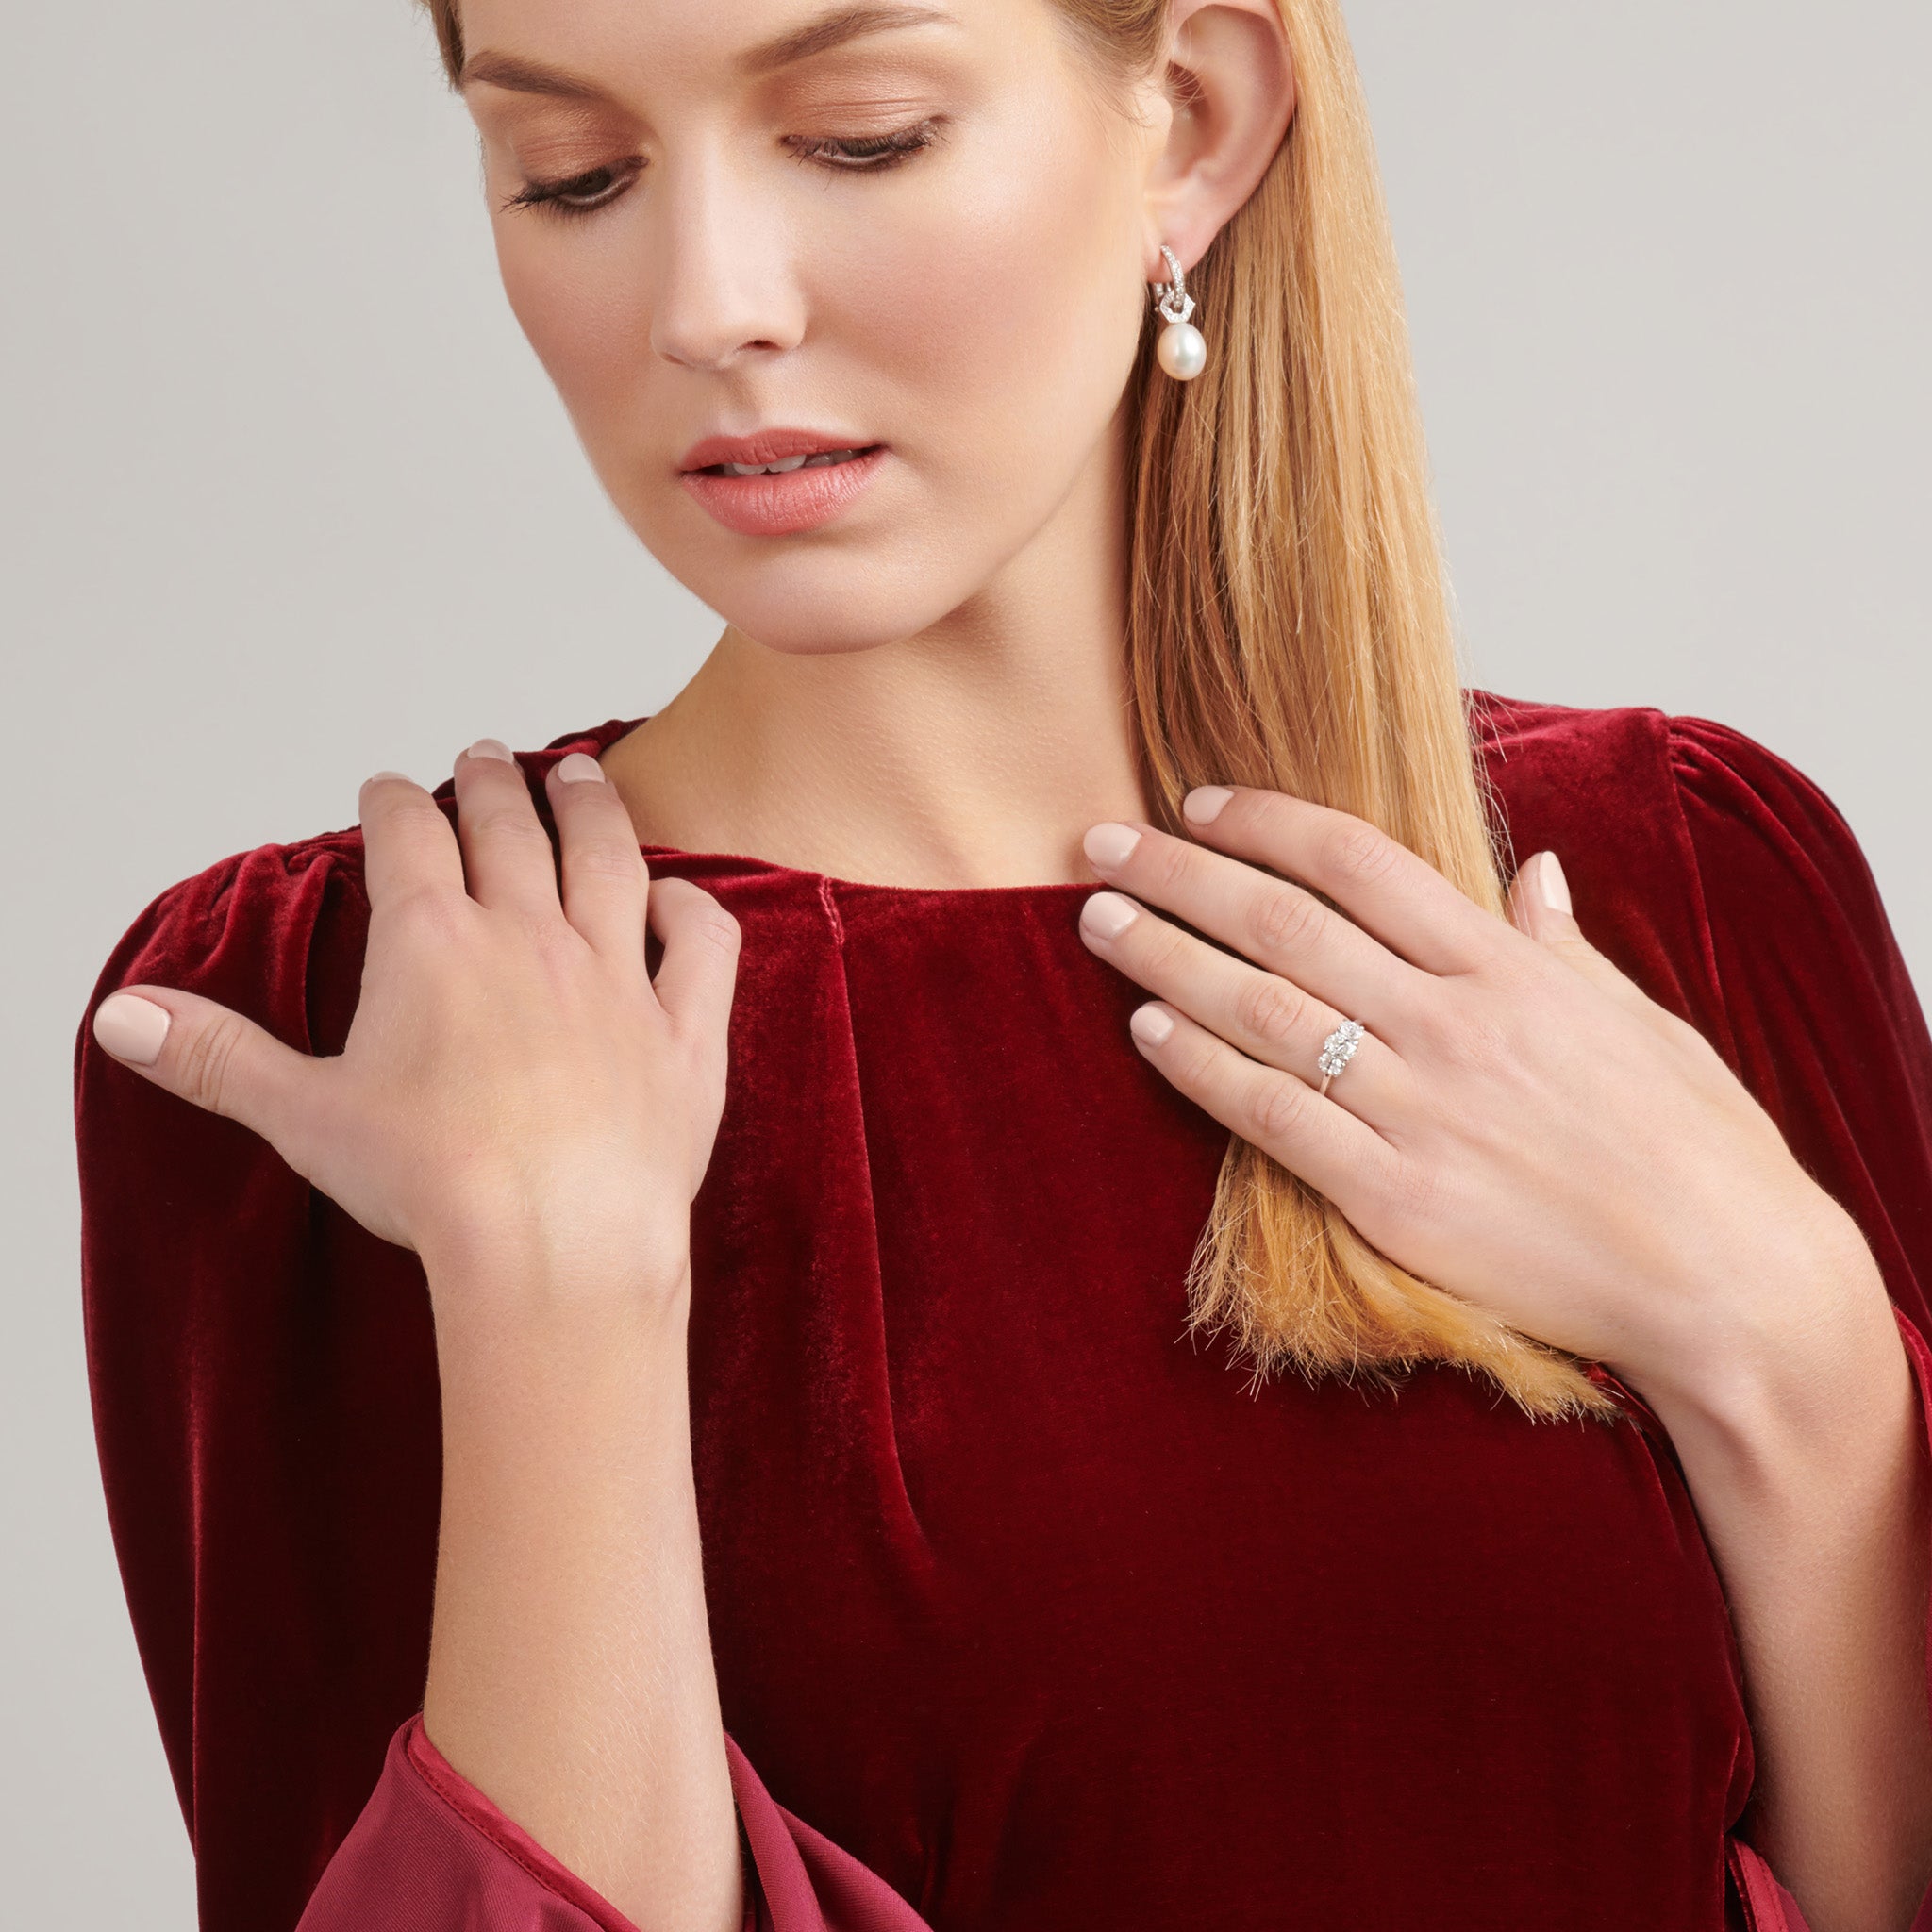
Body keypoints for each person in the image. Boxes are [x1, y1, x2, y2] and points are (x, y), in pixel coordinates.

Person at [71, 2, 1932, 1928]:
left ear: (1194, 125)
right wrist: (557, 1300)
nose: (708, 302)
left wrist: (1798, 1355)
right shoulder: (372, 1013)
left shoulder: (1686, 881)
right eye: (577, 174)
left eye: (858, 138)